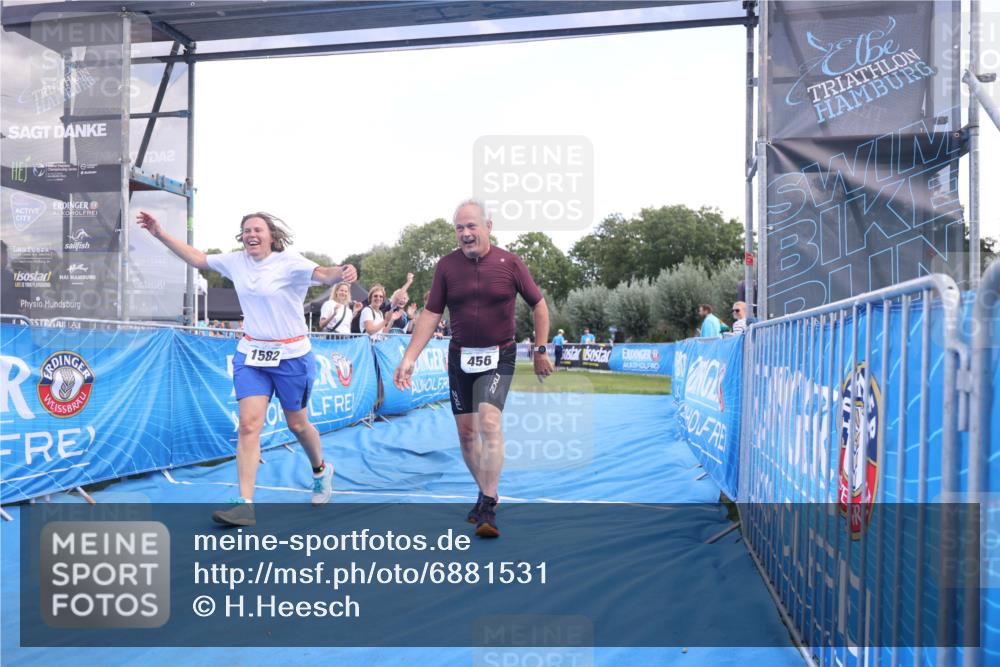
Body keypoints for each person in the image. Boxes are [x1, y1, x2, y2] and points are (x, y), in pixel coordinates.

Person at [136, 210, 357, 526]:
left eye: (257, 229)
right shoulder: (236, 261)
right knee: (249, 425)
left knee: (297, 424)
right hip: (252, 353)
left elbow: (323, 274)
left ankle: (321, 470)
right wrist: (160, 233)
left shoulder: (290, 262)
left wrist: (343, 273)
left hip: (292, 354)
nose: (251, 234)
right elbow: (198, 259)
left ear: (271, 236)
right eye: (246, 230)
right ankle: (244, 503)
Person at [392, 199, 552, 538]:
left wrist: (540, 349)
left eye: (471, 226)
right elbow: (432, 314)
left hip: (500, 355)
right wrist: (410, 357)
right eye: (459, 228)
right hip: (459, 357)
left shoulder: (510, 263)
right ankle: (485, 491)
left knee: (489, 422)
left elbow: (538, 304)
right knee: (466, 434)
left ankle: (490, 505)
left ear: (488, 227)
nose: (465, 233)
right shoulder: (447, 266)